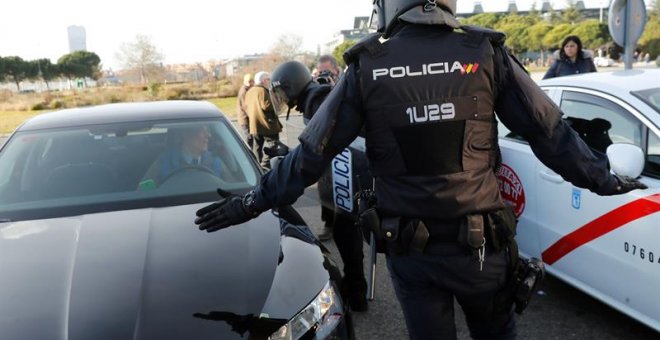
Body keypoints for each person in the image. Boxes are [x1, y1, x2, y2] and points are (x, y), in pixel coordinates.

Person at [194, 1, 647, 339]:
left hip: (414, 257)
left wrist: (249, 203)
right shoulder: (484, 51)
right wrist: (603, 178)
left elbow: (309, 156)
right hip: (482, 253)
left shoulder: (367, 65)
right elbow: (551, 132)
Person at [270, 60, 368, 311]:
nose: (282, 97)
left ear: (293, 86)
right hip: (343, 175)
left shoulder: (317, 99)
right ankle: (356, 287)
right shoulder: (314, 98)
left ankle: (356, 291)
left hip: (346, 177)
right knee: (346, 232)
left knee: (347, 233)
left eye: (283, 91)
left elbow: (326, 145)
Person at [140, 125, 221, 189]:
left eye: (208, 131)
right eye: (203, 131)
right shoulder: (163, 162)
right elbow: (142, 191)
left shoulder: (215, 161)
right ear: (185, 134)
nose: (208, 135)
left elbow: (230, 188)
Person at [245, 71, 282, 169]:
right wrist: (277, 99)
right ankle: (264, 166)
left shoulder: (250, 91)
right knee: (274, 145)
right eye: (268, 79)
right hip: (266, 124)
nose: (270, 81)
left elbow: (246, 107)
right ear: (264, 80)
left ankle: (257, 168)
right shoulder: (262, 90)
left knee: (257, 148)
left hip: (255, 125)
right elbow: (267, 106)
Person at [236, 73, 254, 148]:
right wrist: (253, 116)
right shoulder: (244, 91)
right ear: (246, 82)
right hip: (244, 119)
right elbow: (246, 107)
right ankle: (248, 154)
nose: (251, 83)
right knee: (249, 138)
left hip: (247, 119)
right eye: (249, 82)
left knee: (251, 138)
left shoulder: (249, 90)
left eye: (252, 81)